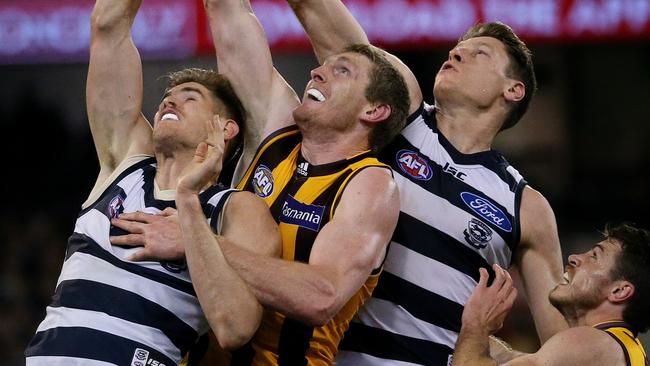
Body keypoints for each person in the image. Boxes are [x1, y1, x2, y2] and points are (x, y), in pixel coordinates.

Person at [110, 0, 410, 364]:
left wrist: (196, 239)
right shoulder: (276, 134)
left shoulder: (371, 184)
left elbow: (321, 297)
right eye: (322, 67)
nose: (317, 73)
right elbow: (227, 10)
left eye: (341, 71)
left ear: (373, 111)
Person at [285, 1, 568, 364]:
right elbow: (318, 13)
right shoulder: (401, 115)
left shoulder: (524, 206)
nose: (455, 54)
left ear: (513, 90)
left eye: (478, 53)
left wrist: (484, 347)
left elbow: (561, 348)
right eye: (455, 50)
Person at [23, 0, 280, 365]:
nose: (169, 101)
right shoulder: (124, 164)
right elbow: (108, 24)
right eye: (166, 99)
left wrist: (190, 211)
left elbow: (235, 327)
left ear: (225, 129)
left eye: (189, 98)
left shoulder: (236, 207)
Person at [453, 223, 650, 366]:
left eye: (594, 256)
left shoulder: (594, 343)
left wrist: (475, 325)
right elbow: (511, 359)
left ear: (619, 291)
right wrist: (453, 323)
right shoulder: (624, 350)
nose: (574, 258)